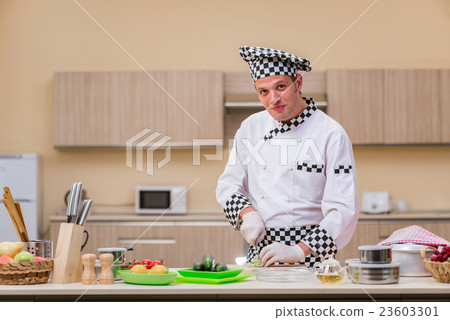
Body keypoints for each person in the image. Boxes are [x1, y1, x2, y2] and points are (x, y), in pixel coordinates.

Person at [216, 46, 359, 267]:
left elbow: (343, 209)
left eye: (280, 87)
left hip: (312, 255)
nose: (273, 99)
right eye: (263, 91)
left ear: (298, 83)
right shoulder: (250, 128)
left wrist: (298, 251)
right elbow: (228, 184)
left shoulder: (331, 133)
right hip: (262, 253)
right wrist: (248, 212)